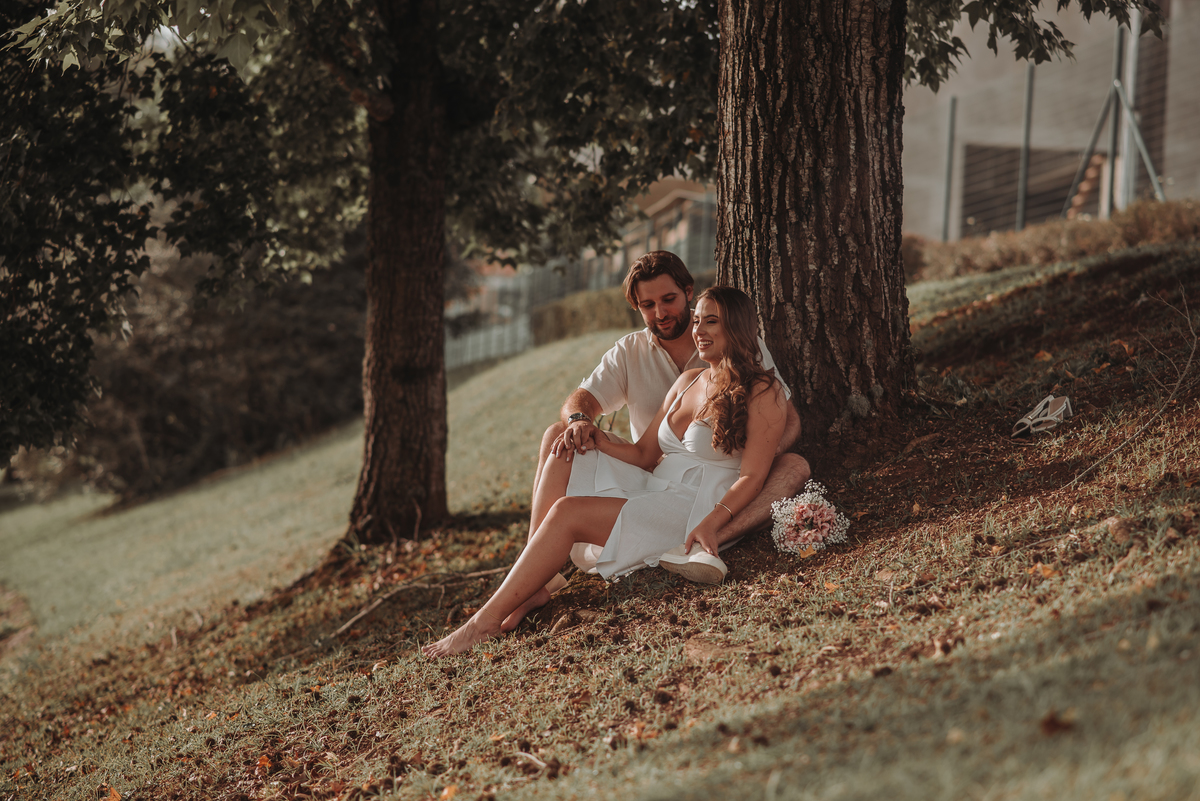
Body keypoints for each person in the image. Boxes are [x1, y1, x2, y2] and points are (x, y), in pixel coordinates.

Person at [423, 287, 790, 658]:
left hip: (692, 506)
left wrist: (713, 523)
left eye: (711, 321)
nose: (698, 330)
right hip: (655, 483)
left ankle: (482, 623)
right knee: (565, 448)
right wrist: (597, 439)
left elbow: (752, 477)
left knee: (567, 513)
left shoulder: (763, 391)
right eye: (697, 321)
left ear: (737, 327)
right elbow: (644, 454)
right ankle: (534, 583)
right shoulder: (688, 381)